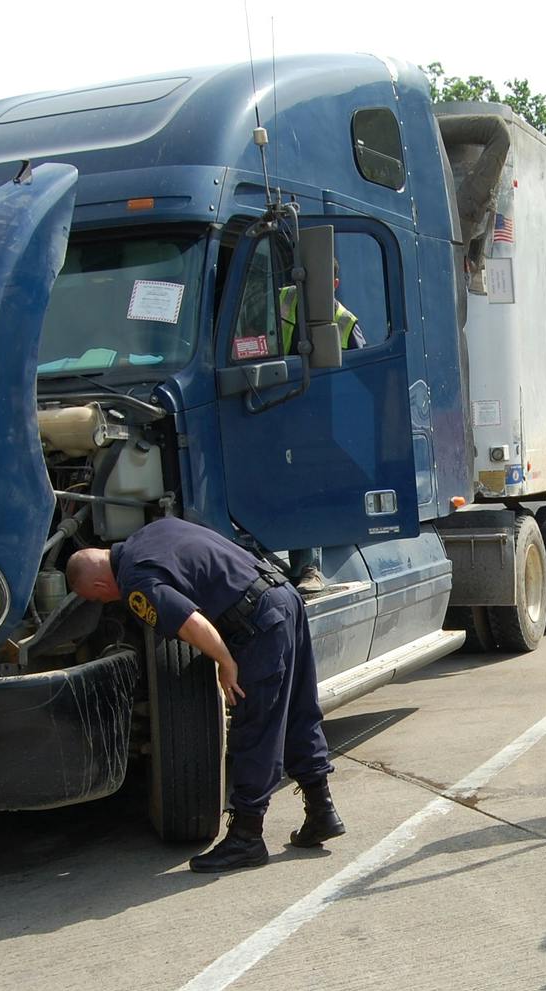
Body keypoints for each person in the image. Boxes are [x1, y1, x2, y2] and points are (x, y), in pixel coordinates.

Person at [66, 517, 345, 872]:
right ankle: (322, 811)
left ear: (102, 582)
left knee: (255, 728)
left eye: (99, 597)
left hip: (257, 624)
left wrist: (224, 661)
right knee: (296, 712)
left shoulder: (135, 579)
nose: (107, 601)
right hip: (284, 597)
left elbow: (190, 622)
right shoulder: (152, 531)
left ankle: (247, 837)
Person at [277, 260, 368, 595]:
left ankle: (309, 568)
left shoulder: (344, 322)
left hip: (317, 418)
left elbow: (363, 374)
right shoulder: (279, 302)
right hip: (276, 409)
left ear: (335, 283)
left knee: (307, 485)